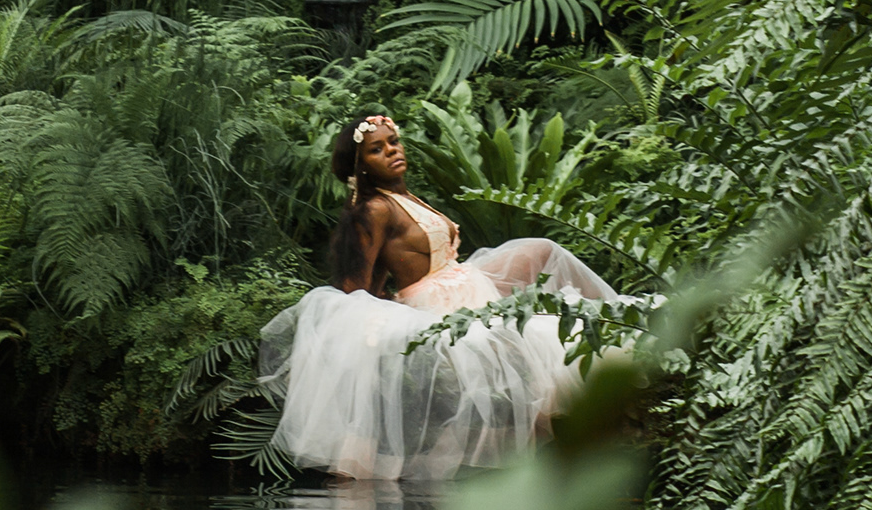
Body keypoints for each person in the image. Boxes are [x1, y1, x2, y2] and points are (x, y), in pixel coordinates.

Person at [255, 112, 624, 480]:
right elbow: (357, 285)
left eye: (393, 142)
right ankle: (558, 467)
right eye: (376, 150)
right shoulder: (375, 209)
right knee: (538, 342)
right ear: (361, 166)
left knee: (542, 251)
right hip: (439, 304)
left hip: (467, 285)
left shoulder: (402, 198)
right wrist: (376, 325)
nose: (391, 151)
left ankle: (611, 322)